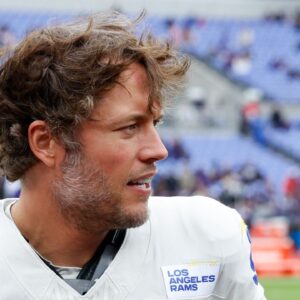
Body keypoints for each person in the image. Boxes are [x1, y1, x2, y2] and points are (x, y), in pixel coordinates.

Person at [0, 12, 266, 299]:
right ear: (45, 142)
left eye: (156, 123)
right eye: (129, 127)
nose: (159, 150)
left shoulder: (209, 234)